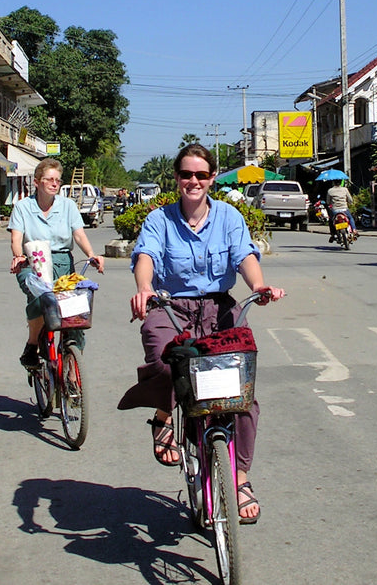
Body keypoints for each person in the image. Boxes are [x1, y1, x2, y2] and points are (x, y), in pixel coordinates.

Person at [118, 144, 285, 524]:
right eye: (186, 174)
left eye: (201, 175)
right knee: (164, 365)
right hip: (170, 306)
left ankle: (240, 477)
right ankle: (164, 415)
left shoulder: (228, 217)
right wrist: (145, 289)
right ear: (176, 178)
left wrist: (258, 286)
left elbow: (245, 256)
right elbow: (146, 256)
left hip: (219, 308)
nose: (193, 182)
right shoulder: (160, 219)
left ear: (211, 178)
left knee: (240, 392)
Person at [9, 158, 105, 368]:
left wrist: (91, 254)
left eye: (57, 180)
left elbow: (78, 235)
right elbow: (16, 238)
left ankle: (73, 369)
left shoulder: (68, 206)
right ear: (37, 182)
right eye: (49, 179)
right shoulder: (23, 207)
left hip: (62, 261)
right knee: (40, 297)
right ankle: (32, 344)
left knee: (76, 310)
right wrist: (18, 257)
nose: (54, 184)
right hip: (32, 261)